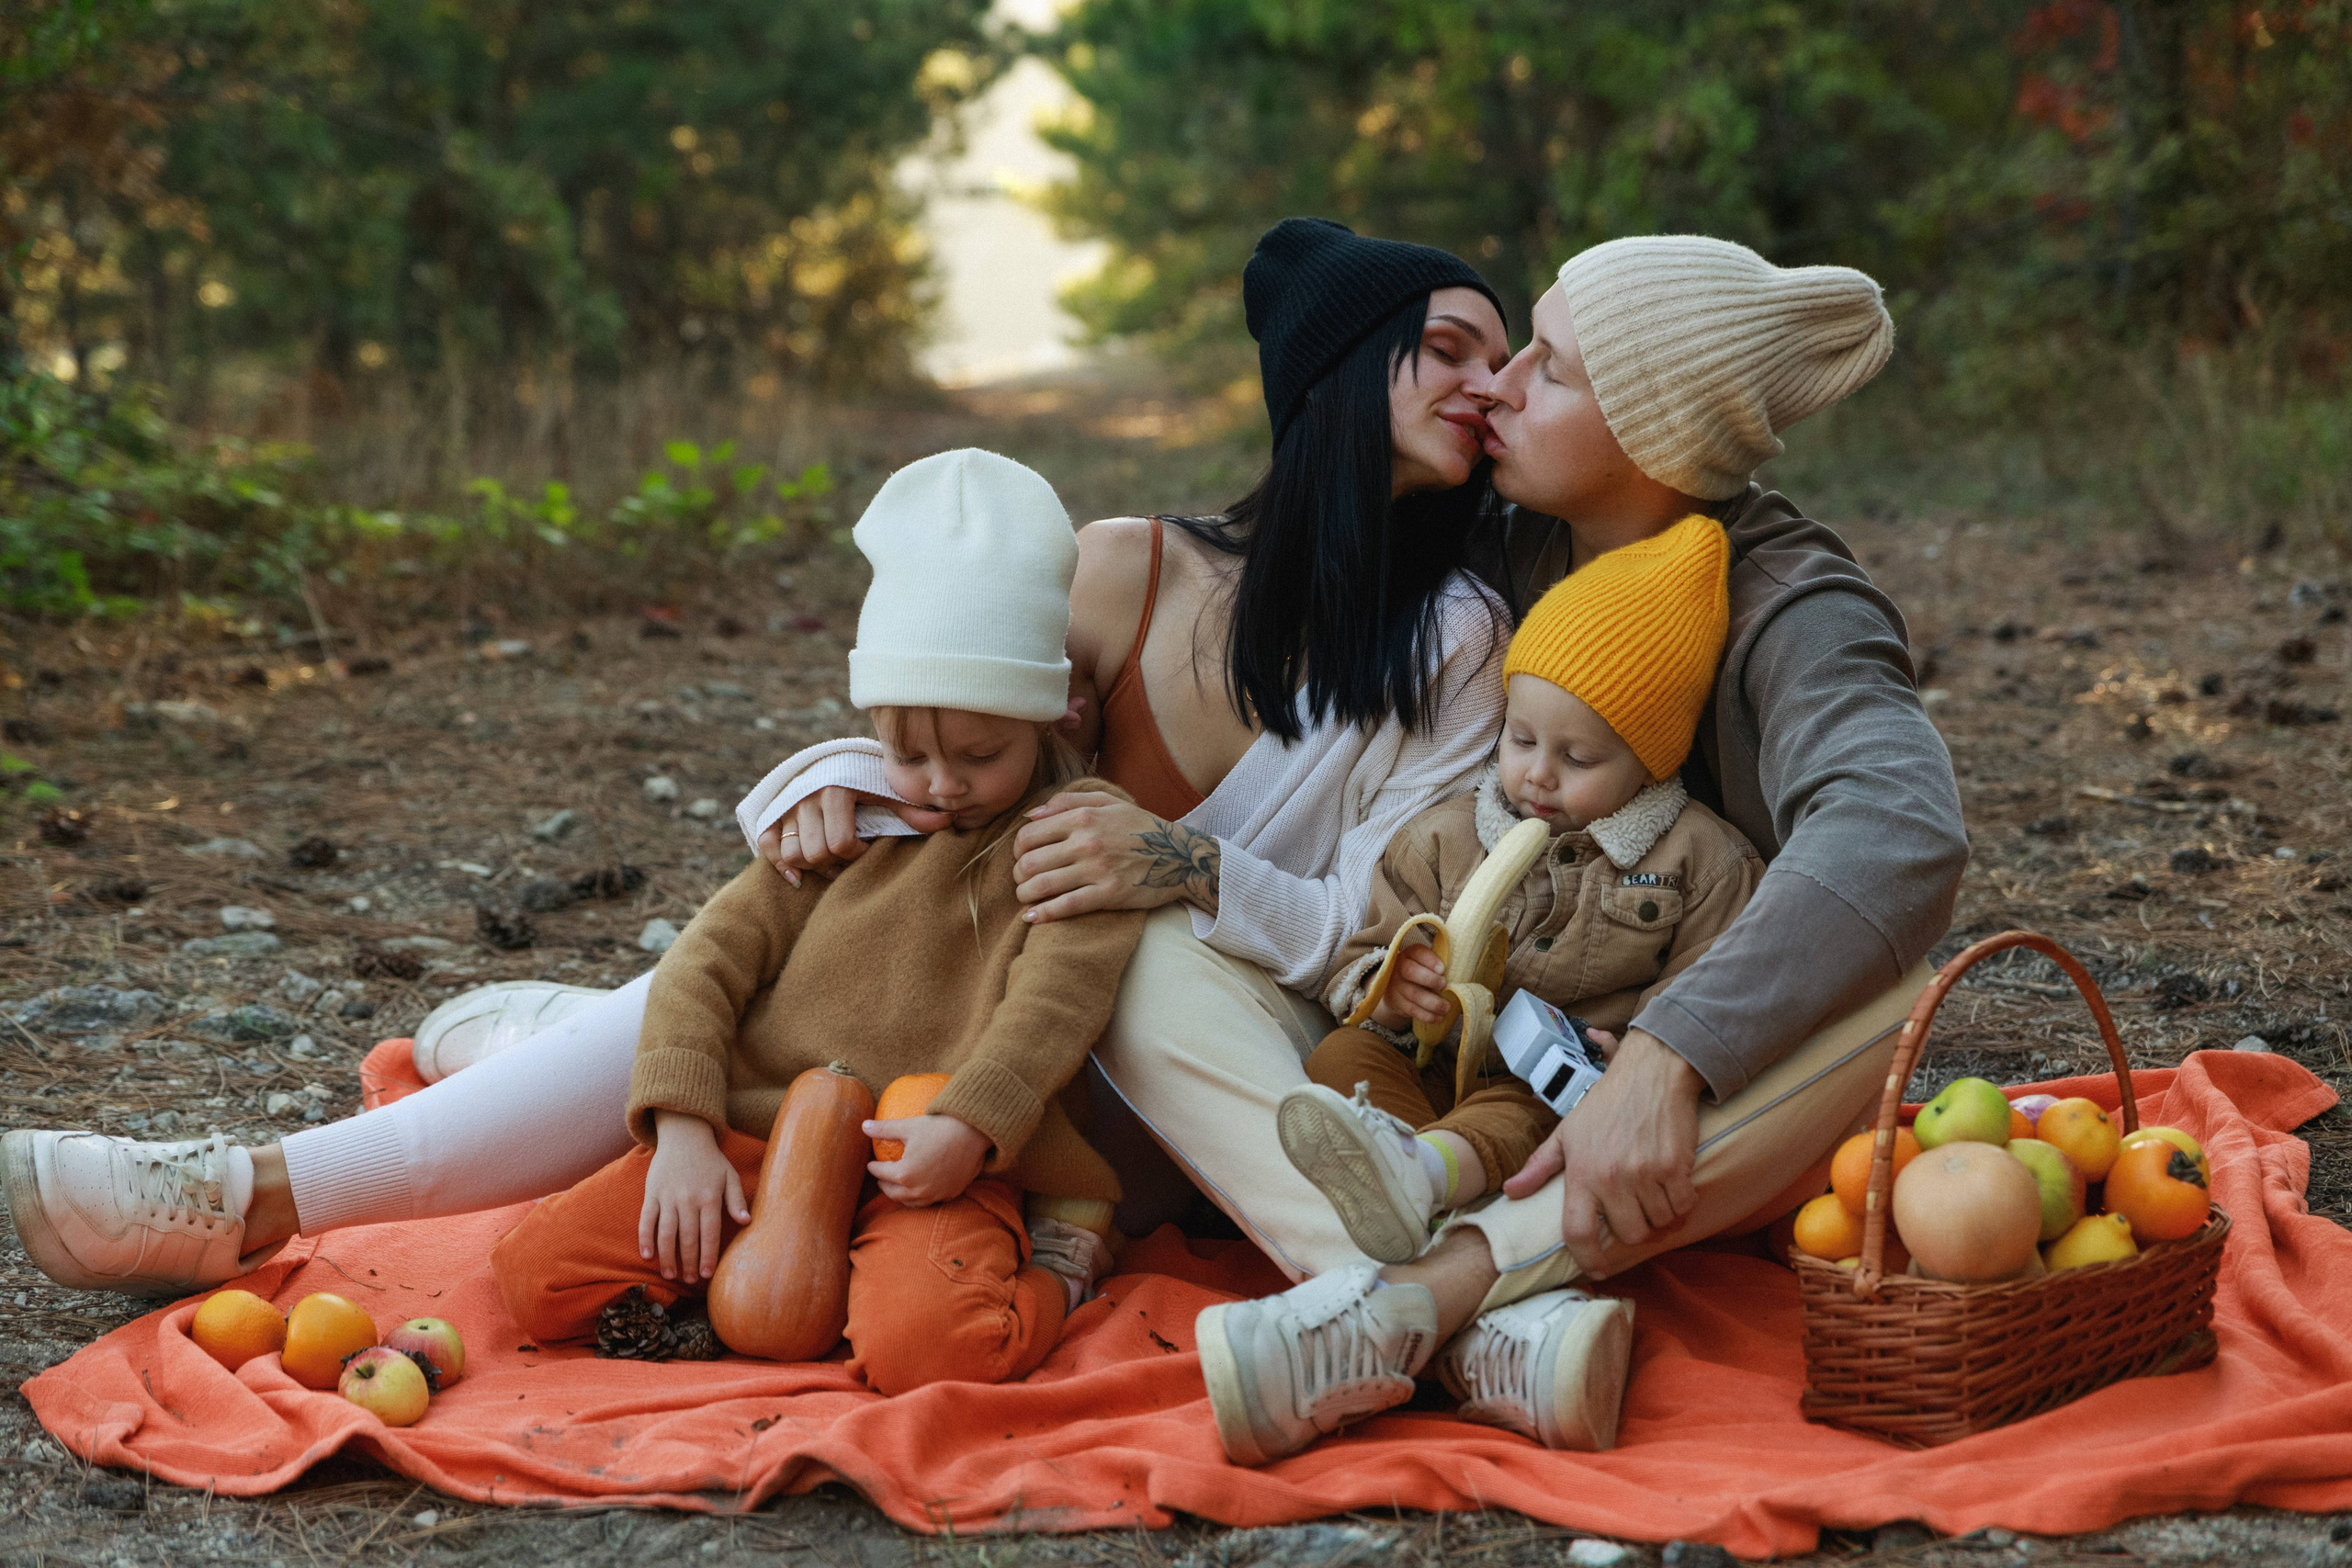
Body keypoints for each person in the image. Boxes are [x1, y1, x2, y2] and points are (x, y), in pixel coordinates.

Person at [0, 217, 1517, 1297]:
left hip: (1125, 1092)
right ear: (1340, 368)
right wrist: (819, 784)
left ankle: (536, 1041)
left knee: (754, 1030)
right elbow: (938, 727)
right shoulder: (1125, 570)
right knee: (751, 973)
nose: (1488, 383)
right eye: (1450, 345)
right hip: (934, 1002)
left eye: (1509, 363)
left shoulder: (1454, 641)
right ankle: (248, 1190)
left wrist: (1179, 861)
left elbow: (1380, 947)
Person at [1191, 236, 1966, 1466]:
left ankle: (1398, 1307)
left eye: (1548, 366)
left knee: (1893, 1001)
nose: (1500, 382)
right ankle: (1479, 1322)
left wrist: (1671, 1052)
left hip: (1688, 1079)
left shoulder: (1792, 600)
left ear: (1659, 432)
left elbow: (1903, 825)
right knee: (1153, 951)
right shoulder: (1502, 547)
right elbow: (1287, 553)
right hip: (1445, 1029)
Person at [488, 449, 1144, 1393]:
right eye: (908, 752)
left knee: (934, 1351)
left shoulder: (1068, 839)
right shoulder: (842, 820)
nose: (941, 784)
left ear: (1051, 717)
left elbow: (1056, 1002)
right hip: (774, 1138)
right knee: (535, 1280)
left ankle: (1062, 1261)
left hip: (935, 1154)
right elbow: (701, 965)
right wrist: (682, 1130)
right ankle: (803, 1277)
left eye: (979, 754)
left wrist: (973, 1123)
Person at [1280, 513, 1760, 1276]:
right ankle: (1409, 1187)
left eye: (1578, 756)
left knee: (1515, 1113)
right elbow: (1367, 948)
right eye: (1522, 739)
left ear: (1652, 761)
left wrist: (1641, 1048)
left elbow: (1714, 979)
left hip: (1554, 1085)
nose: (1538, 774)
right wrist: (1393, 984)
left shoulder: (1698, 858)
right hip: (1429, 1061)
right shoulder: (1443, 834)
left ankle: (1425, 1189)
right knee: (1344, 1054)